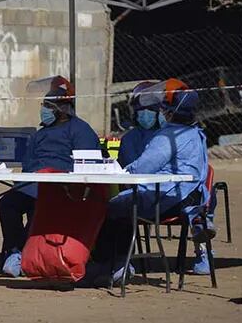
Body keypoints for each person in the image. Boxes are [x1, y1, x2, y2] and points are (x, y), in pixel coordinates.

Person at [90, 79, 212, 283]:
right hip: (192, 198)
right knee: (125, 203)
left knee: (115, 207)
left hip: (168, 197)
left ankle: (115, 265)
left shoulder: (168, 136)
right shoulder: (195, 133)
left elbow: (143, 167)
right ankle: (117, 264)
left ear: (168, 111)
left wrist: (121, 173)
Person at [0, 76, 99, 277]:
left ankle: (30, 255)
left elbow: (85, 165)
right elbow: (28, 163)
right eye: (44, 104)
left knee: (40, 210)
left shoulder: (81, 130)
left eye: (49, 105)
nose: (44, 109)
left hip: (61, 188)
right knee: (6, 204)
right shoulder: (40, 133)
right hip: (32, 185)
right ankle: (14, 252)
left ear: (63, 108)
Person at [117, 81, 162, 168]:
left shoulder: (170, 136)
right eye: (141, 109)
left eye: (151, 108)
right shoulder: (129, 139)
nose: (145, 113)